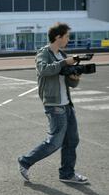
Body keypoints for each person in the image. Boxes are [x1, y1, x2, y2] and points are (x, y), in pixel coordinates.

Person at [18, 22, 88, 184]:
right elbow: (44, 70)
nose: (68, 40)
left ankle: (67, 173)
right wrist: (65, 63)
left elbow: (70, 84)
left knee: (72, 140)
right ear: (58, 37)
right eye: (67, 36)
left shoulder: (62, 55)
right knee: (54, 142)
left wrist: (74, 77)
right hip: (54, 104)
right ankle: (25, 161)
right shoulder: (44, 53)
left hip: (67, 104)